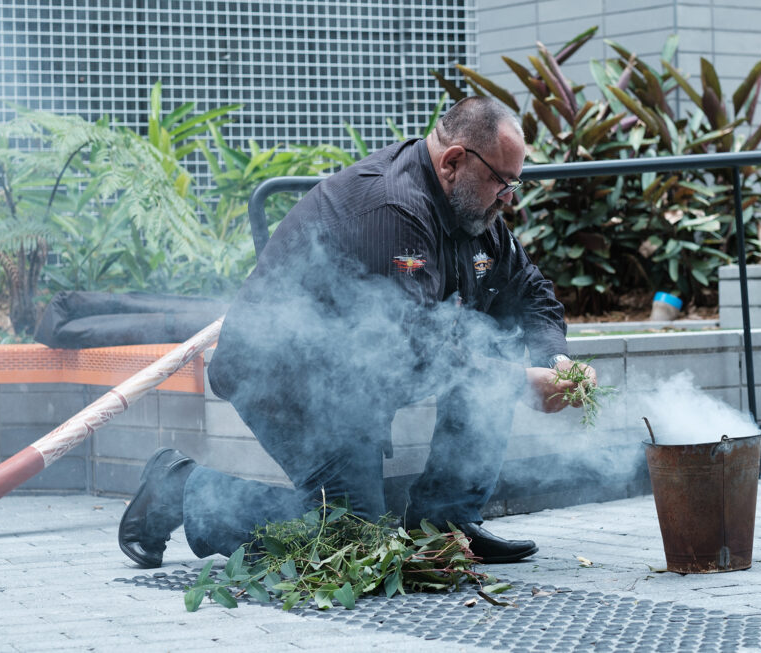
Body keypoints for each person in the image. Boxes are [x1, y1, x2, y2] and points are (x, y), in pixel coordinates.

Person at [118, 96, 596, 569]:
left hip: (358, 378)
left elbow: (531, 293)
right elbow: (413, 345)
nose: (509, 197)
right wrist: (516, 381)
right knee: (352, 539)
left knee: (495, 337)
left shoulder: (473, 210)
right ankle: (181, 486)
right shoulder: (392, 208)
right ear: (454, 161)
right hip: (290, 380)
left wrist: (557, 363)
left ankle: (445, 524)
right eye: (502, 181)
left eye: (515, 183)